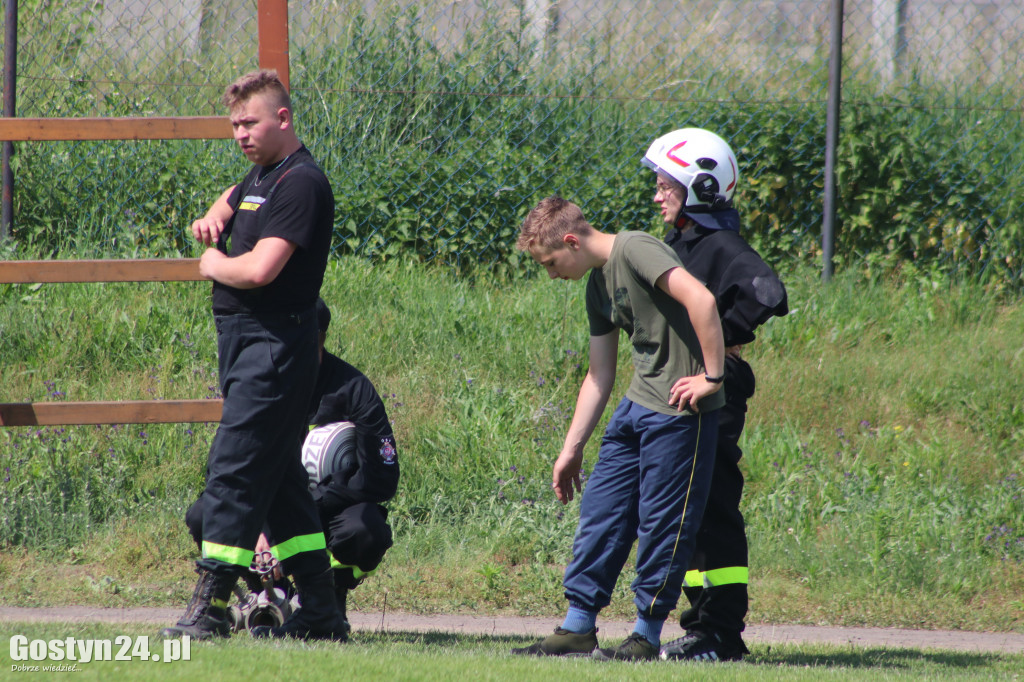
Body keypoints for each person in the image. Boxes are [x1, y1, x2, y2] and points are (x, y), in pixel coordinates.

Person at [161, 69, 347, 642]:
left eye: (250, 123)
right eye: (234, 125)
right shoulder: (263, 174)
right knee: (282, 481)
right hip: (249, 344)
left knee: (234, 469)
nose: (240, 134)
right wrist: (216, 212)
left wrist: (214, 264)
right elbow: (236, 196)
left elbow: (262, 268)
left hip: (273, 346)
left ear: (283, 119)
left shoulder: (301, 183)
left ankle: (212, 605)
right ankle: (321, 611)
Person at [511, 196, 726, 661]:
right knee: (601, 512)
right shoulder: (597, 286)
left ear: (571, 241)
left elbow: (701, 298)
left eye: (550, 263)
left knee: (662, 525)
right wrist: (571, 449)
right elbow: (598, 374)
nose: (551, 275)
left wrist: (712, 377)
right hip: (635, 408)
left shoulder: (634, 249)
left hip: (679, 411)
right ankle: (577, 628)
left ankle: (645, 634)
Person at [641, 127, 789, 662]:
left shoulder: (719, 244)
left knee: (714, 508)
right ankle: (701, 627)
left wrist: (715, 357)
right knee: (688, 512)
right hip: (683, 390)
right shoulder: (682, 242)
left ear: (700, 187)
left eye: (666, 185)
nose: (656, 195)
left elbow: (767, 292)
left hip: (714, 391)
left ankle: (722, 634)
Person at [299, 298, 400, 626]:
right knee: (208, 513)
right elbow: (234, 464)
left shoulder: (354, 389)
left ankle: (331, 593)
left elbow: (382, 478)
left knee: (366, 530)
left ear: (319, 339)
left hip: (331, 510)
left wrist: (316, 501)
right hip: (274, 505)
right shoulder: (262, 384)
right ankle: (260, 594)